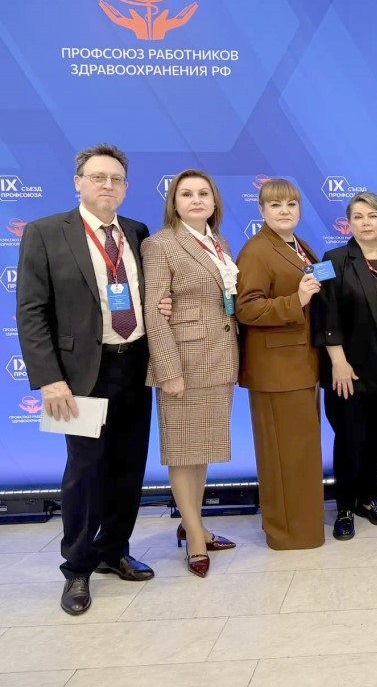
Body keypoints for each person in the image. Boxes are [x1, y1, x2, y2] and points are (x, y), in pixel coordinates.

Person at [16, 143, 154, 616]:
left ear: (126, 187)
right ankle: (77, 568)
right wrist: (49, 379)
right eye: (98, 177)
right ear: (78, 182)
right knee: (84, 472)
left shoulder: (136, 231)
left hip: (135, 366)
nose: (107, 186)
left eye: (116, 179)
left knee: (128, 466)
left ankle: (114, 550)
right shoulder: (44, 232)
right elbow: (31, 312)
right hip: (79, 376)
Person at [142, 169, 239, 577]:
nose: (196, 200)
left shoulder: (219, 242)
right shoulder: (160, 244)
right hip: (184, 362)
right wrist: (168, 370)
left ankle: (192, 522)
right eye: (186, 194)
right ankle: (196, 538)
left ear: (214, 202)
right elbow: (154, 311)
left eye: (203, 193)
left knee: (201, 449)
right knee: (183, 451)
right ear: (174, 203)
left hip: (220, 358)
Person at [236, 179, 325, 550]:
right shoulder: (256, 250)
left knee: (300, 454)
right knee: (283, 456)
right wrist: (295, 300)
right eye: (275, 205)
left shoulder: (297, 245)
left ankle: (303, 528)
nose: (284, 211)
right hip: (276, 370)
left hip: (301, 364)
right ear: (261, 211)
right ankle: (286, 533)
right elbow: (246, 308)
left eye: (291, 204)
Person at [314, 192, 377, 541]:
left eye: (372, 216)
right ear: (348, 223)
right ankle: (345, 508)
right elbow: (326, 313)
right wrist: (337, 360)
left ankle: (368, 498)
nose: (366, 223)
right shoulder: (332, 260)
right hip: (348, 369)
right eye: (358, 217)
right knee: (351, 438)